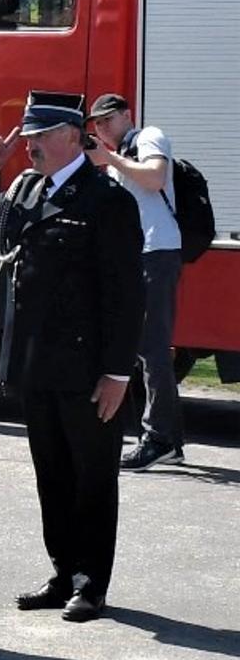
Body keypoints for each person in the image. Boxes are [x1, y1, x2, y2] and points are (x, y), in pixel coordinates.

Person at [0, 91, 143, 624]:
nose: (31, 145)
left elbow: (126, 294)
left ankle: (91, 582)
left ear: (71, 136)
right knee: (52, 474)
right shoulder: (27, 189)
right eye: (29, 135)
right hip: (36, 361)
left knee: (92, 476)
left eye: (40, 135)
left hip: (87, 367)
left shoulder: (107, 199)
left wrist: (117, 372)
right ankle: (63, 570)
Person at [86, 95, 186, 471]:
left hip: (157, 252)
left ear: (128, 115)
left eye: (108, 119)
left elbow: (155, 176)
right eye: (96, 123)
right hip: (138, 255)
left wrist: (109, 159)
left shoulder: (148, 137)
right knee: (144, 346)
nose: (102, 128)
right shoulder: (118, 161)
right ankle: (166, 439)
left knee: (153, 348)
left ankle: (159, 438)